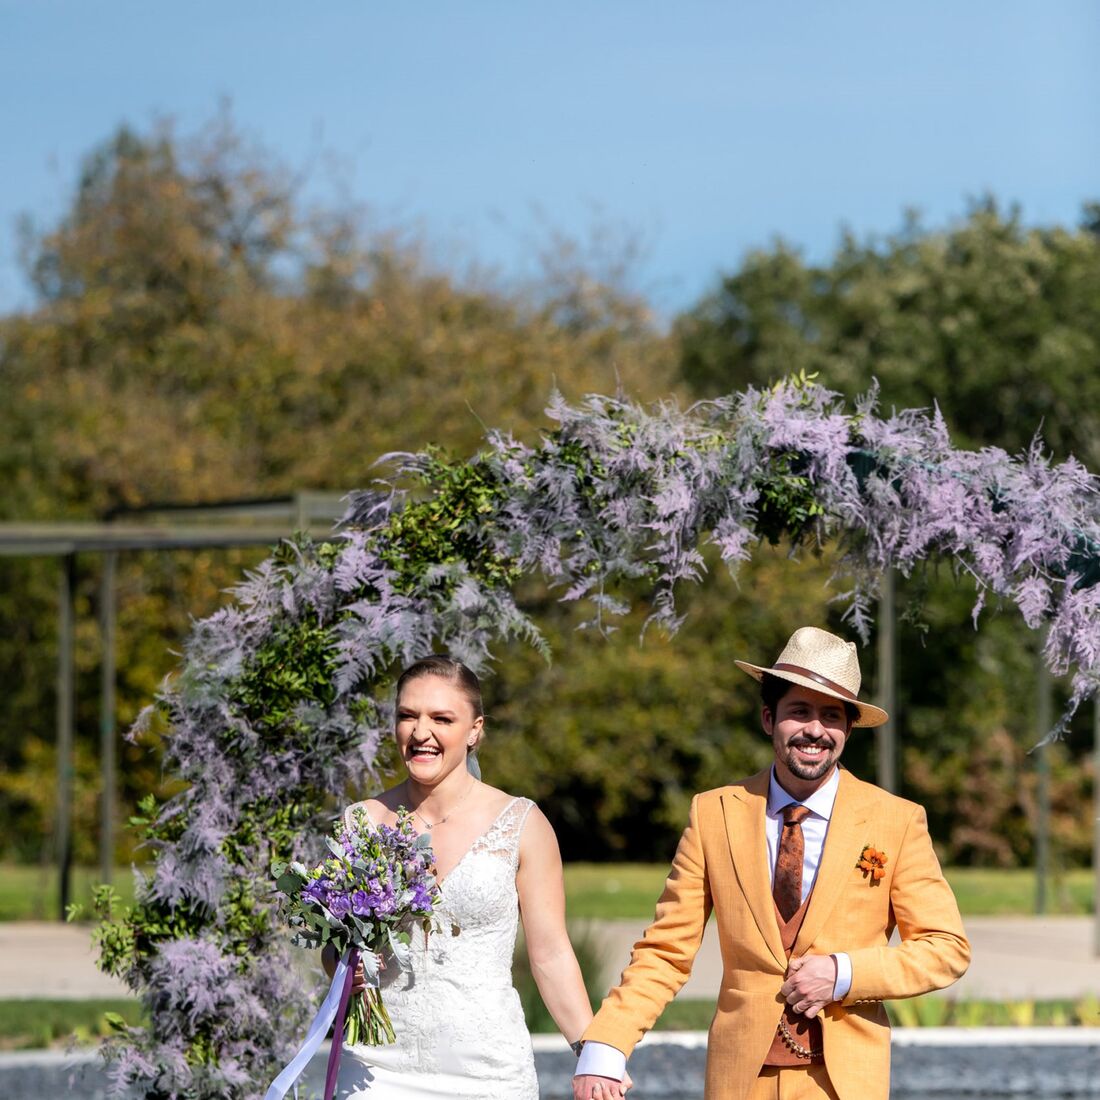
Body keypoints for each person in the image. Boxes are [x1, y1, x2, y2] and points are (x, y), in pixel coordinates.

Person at [573, 626, 970, 1100]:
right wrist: (607, 1047)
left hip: (844, 1085)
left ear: (848, 729)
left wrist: (844, 973)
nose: (815, 730)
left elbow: (945, 949)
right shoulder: (714, 814)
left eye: (831, 715)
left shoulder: (897, 820)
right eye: (799, 711)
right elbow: (666, 950)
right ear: (768, 719)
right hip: (741, 1081)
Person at [324, 655, 625, 1099]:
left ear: (474, 730)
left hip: (488, 1071)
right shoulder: (361, 822)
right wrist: (347, 966)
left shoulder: (521, 823)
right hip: (376, 1069)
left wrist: (593, 1054)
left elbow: (551, 955)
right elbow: (334, 951)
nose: (420, 732)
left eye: (441, 719)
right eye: (407, 716)